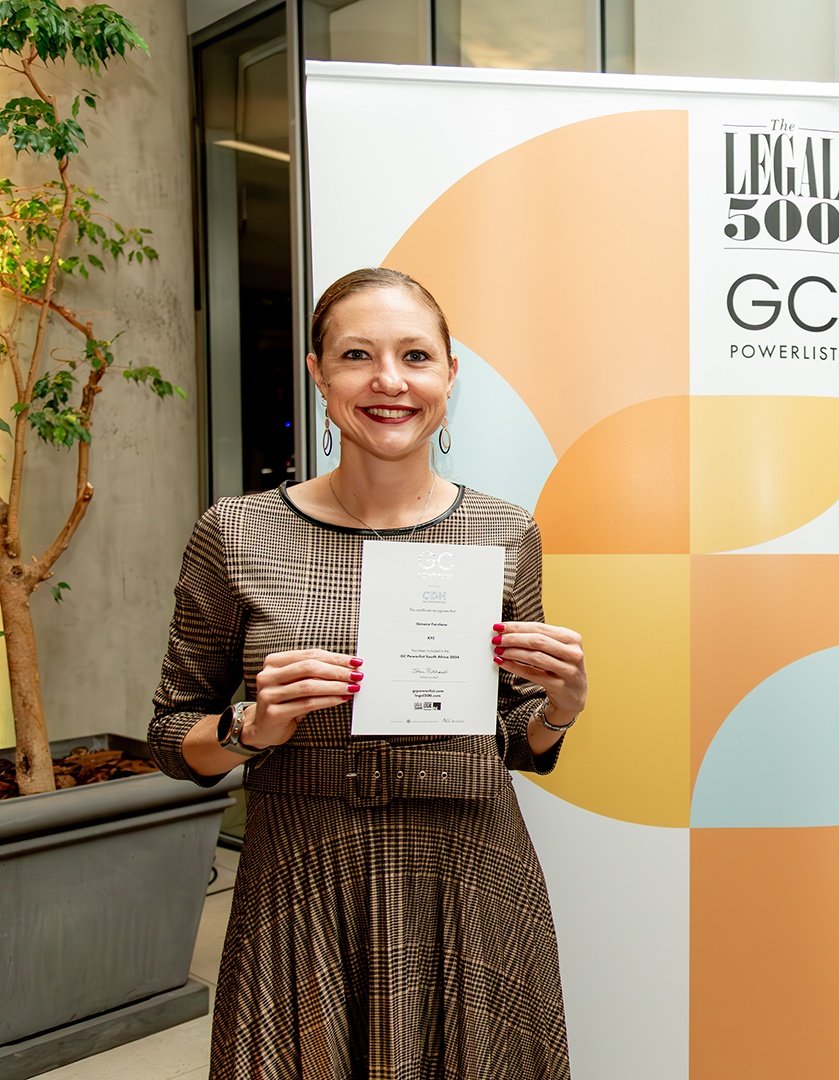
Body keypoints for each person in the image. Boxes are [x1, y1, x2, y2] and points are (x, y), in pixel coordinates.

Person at [149, 267, 586, 1079]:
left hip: (469, 875)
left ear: (450, 376)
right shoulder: (237, 532)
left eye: (416, 356)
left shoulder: (505, 531)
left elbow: (515, 737)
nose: (390, 381)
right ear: (318, 374)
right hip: (304, 878)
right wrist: (250, 728)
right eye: (358, 355)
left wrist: (557, 709)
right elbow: (173, 737)